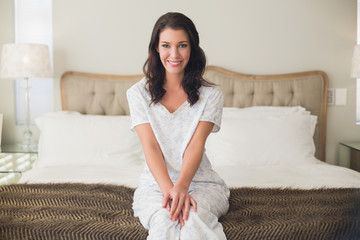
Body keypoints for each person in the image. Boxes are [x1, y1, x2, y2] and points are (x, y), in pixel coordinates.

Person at [126, 12, 230, 240]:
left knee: (193, 219)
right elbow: (151, 147)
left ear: (192, 48)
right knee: (165, 220)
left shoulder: (211, 95)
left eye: (182, 45)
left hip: (201, 183)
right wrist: (170, 191)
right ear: (156, 48)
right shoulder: (137, 94)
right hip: (155, 186)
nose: (174, 54)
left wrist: (181, 187)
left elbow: (195, 146)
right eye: (166, 45)